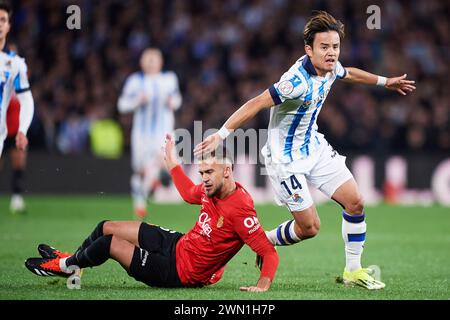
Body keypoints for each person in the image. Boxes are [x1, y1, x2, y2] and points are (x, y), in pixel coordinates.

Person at [194, 11, 416, 290]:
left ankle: (353, 270)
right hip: (285, 160)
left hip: (313, 146)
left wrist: (386, 82)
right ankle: (259, 239)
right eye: (324, 47)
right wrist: (222, 134)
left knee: (355, 202)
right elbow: (256, 102)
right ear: (308, 50)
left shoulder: (331, 65)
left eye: (335, 46)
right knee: (309, 228)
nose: (332, 52)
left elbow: (349, 74)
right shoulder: (294, 82)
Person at [25, 134, 279, 292]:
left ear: (227, 171)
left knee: (109, 244)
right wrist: (173, 164)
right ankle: (75, 263)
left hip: (179, 273)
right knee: (106, 226)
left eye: (209, 173)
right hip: (178, 244)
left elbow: (269, 253)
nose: (204, 179)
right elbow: (189, 193)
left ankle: (63, 265)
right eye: (201, 173)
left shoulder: (240, 208)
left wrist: (262, 284)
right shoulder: (210, 190)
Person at [117, 48, 182, 220]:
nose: (151, 62)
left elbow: (177, 100)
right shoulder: (135, 81)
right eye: (148, 59)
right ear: (142, 62)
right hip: (141, 134)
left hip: (164, 132)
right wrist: (137, 101)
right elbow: (122, 105)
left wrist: (172, 102)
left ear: (161, 61)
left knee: (169, 164)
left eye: (155, 59)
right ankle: (140, 203)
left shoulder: (169, 79)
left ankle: (157, 179)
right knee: (139, 171)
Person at [0, 2, 34, 161]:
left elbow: (26, 99)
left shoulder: (15, 64)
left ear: (8, 26)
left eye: (3, 20)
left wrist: (22, 130)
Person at [4, 93, 28, 213]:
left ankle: (17, 198)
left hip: (16, 133)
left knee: (19, 164)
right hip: (2, 133)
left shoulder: (21, 87)